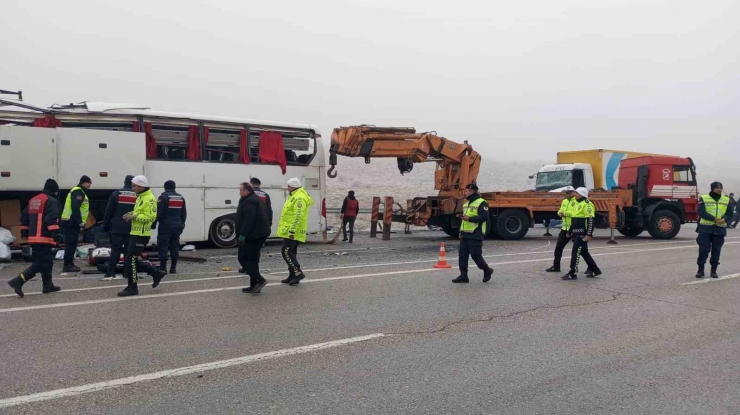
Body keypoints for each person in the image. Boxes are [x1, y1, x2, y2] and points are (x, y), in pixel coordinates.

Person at [7, 179, 63, 297]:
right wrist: (57, 236)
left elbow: (24, 218)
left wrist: (24, 233)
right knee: (42, 263)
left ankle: (48, 285)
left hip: (33, 237)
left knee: (47, 262)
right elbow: (51, 220)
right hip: (44, 237)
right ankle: (18, 281)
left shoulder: (33, 200)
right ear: (55, 191)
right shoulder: (51, 201)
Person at [117, 175, 167, 297]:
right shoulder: (140, 197)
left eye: (134, 186)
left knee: (130, 260)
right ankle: (156, 272)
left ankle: (132, 287)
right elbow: (140, 212)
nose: (132, 188)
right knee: (133, 259)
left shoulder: (149, 199)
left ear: (141, 186)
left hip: (142, 234)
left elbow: (151, 217)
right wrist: (130, 214)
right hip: (135, 233)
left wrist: (134, 217)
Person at [452, 183, 494, 283]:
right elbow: (464, 220)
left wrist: (469, 218)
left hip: (476, 233)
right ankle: (463, 276)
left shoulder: (482, 202)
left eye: (466, 191)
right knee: (462, 255)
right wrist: (461, 231)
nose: (465, 192)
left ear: (471, 191)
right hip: (465, 233)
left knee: (476, 255)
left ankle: (487, 270)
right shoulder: (466, 204)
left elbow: (484, 217)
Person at [277, 177, 314, 285]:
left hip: (293, 231)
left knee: (286, 251)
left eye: (288, 186)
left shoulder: (299, 198)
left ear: (292, 187)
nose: (287, 188)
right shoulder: (294, 196)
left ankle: (298, 273)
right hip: (290, 230)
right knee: (291, 252)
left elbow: (298, 215)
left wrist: (292, 231)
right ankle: (292, 275)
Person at [236, 182, 271, 294]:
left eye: (240, 190)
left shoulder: (249, 201)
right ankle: (254, 285)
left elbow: (249, 220)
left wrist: (242, 235)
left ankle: (260, 280)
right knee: (253, 259)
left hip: (254, 235)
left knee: (243, 258)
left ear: (246, 191)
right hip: (258, 233)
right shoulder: (253, 198)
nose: (239, 192)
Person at [562, 187, 602, 280]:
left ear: (582, 194)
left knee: (575, 253)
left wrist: (589, 234)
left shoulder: (587, 204)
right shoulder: (576, 203)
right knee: (584, 253)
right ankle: (595, 270)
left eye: (576, 193)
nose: (574, 194)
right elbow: (574, 219)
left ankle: (572, 273)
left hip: (582, 234)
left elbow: (591, 220)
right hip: (575, 233)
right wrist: (570, 231)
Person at [101, 175, 136, 280]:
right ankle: (126, 272)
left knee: (115, 249)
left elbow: (109, 211)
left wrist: (105, 224)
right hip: (131, 226)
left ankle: (111, 272)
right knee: (128, 251)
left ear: (124, 182)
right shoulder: (137, 195)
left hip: (117, 226)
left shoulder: (116, 194)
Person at [695, 182, 733, 278]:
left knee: (716, 250)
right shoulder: (703, 198)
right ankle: (700, 270)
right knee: (704, 249)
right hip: (705, 228)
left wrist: (724, 219)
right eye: (717, 187)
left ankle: (713, 271)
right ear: (712, 188)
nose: (719, 189)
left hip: (720, 229)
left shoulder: (726, 199)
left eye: (720, 187)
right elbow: (701, 212)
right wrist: (714, 219)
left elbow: (730, 214)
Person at [60, 175, 92, 273]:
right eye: (89, 183)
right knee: (71, 244)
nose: (90, 185)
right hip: (71, 222)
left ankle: (69, 263)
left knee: (72, 244)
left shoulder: (78, 191)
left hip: (70, 221)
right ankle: (68, 265)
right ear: (84, 182)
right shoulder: (78, 191)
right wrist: (79, 222)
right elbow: (75, 207)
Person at [154, 180, 187, 274]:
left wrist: (153, 224)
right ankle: (173, 268)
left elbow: (158, 213)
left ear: (165, 187)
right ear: (174, 187)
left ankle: (163, 268)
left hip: (165, 226)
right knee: (175, 246)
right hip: (177, 226)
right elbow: (183, 213)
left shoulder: (163, 197)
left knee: (163, 246)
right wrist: (182, 224)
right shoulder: (181, 198)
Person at [546, 186, 576, 273]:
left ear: (573, 192)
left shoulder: (576, 202)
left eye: (570, 192)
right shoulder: (565, 201)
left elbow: (575, 213)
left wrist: (565, 214)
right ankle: (556, 266)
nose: (568, 194)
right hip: (565, 228)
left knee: (581, 249)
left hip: (573, 228)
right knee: (558, 247)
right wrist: (560, 213)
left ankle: (591, 267)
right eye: (566, 192)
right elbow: (560, 211)